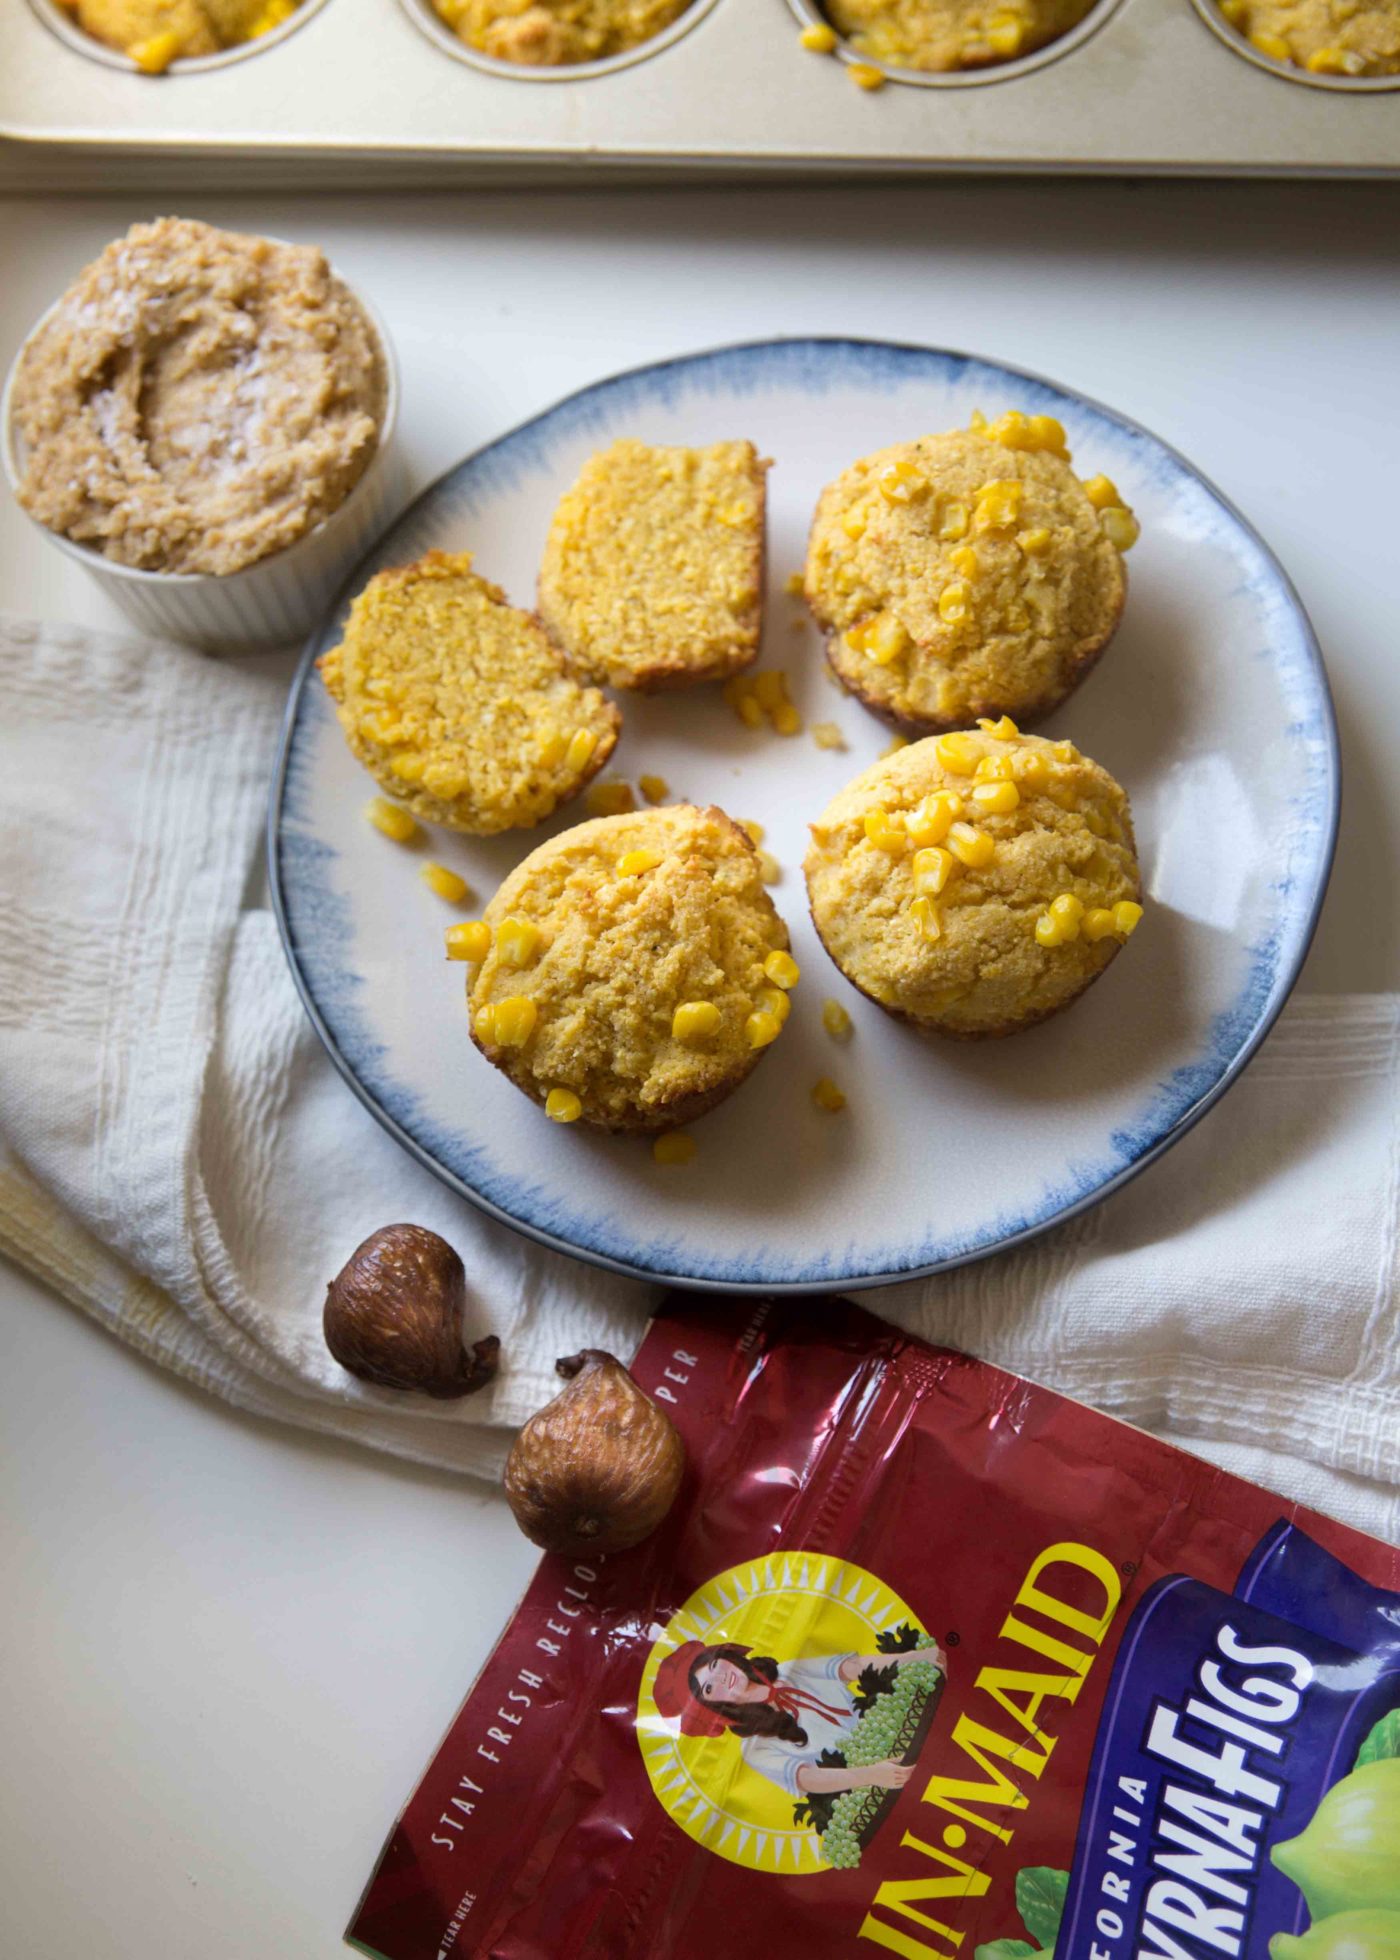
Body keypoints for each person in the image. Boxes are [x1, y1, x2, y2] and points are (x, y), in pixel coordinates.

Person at [651, 1636, 944, 1800]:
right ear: (712, 1706)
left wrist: (913, 1659)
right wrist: (869, 1775)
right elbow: (806, 1778)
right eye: (709, 1687)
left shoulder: (789, 1669)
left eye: (715, 1664)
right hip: (881, 1777)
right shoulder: (755, 1749)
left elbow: (853, 1667)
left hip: (898, 1730)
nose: (721, 1676)